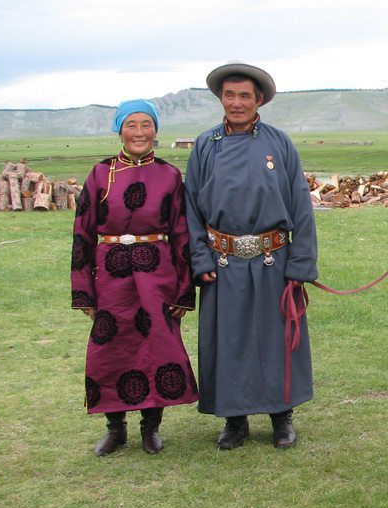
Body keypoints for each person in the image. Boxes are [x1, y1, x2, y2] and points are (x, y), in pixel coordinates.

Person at [184, 62, 318, 450]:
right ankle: (234, 419)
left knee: (277, 339)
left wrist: (300, 265)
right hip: (222, 264)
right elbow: (190, 208)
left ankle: (281, 417)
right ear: (220, 99)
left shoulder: (279, 144)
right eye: (230, 95)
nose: (237, 103)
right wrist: (200, 258)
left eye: (245, 96)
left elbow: (301, 207)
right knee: (228, 340)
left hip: (272, 259)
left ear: (259, 100)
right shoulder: (205, 146)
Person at [71, 99, 198, 456]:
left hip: (157, 275)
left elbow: (182, 235)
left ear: (156, 130)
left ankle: (150, 429)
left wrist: (184, 291)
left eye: (146, 124)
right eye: (131, 124)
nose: (139, 132)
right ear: (119, 129)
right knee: (110, 351)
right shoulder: (100, 174)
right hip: (110, 279)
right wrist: (84, 292)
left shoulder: (169, 175)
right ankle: (115, 429)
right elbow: (82, 234)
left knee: (156, 348)